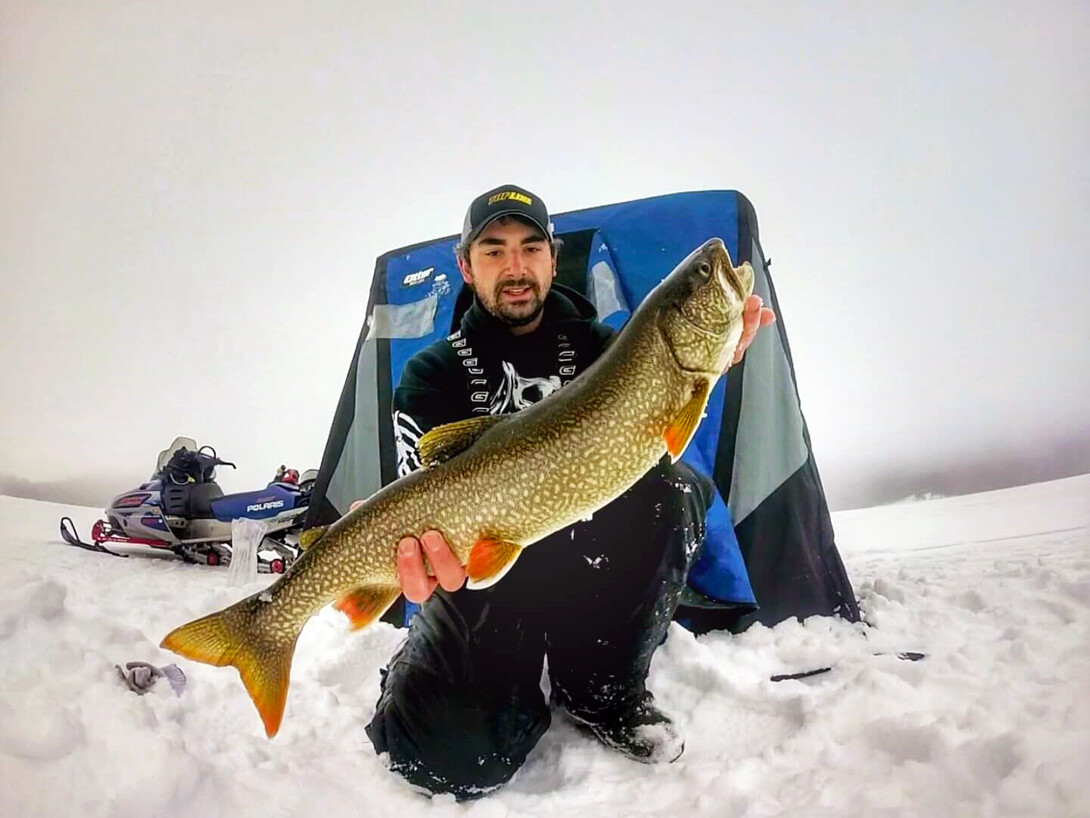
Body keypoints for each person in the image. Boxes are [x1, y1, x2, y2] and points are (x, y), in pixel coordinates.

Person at [365, 184, 775, 799]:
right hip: (483, 582)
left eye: (531, 247)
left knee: (674, 487)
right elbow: (416, 497)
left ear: (554, 259)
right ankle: (432, 671)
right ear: (465, 266)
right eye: (494, 250)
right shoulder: (432, 373)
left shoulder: (608, 348)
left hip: (587, 565)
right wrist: (410, 557)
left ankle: (598, 686)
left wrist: (715, 355)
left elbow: (667, 428)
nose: (515, 266)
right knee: (449, 764)